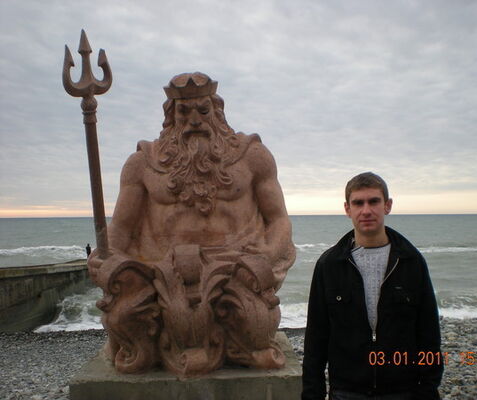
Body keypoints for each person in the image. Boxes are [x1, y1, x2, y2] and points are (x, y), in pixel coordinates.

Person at [88, 72, 295, 377]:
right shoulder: (142, 163)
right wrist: (106, 255)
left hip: (236, 268)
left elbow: (278, 219)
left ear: (217, 112)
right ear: (171, 116)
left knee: (257, 329)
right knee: (122, 319)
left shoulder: (252, 156)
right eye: (184, 112)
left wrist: (267, 255)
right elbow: (121, 228)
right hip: (163, 271)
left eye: (203, 111)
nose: (195, 121)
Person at [302, 172, 442, 400]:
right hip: (347, 391)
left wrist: (428, 389)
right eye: (358, 203)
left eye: (373, 201)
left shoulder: (411, 261)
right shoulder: (329, 265)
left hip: (402, 391)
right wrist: (312, 394)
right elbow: (316, 338)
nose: (366, 210)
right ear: (347, 209)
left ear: (387, 205)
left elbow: (428, 333)